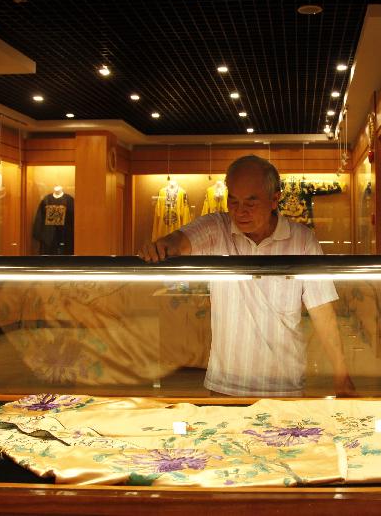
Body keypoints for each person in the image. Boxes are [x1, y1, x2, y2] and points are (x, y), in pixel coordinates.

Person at [139, 155, 355, 397]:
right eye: (233, 201)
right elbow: (179, 241)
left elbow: (322, 311)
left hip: (284, 387)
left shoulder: (302, 241)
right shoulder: (217, 229)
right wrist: (162, 246)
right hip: (226, 386)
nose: (240, 212)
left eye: (251, 203)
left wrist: (341, 373)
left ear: (275, 199)